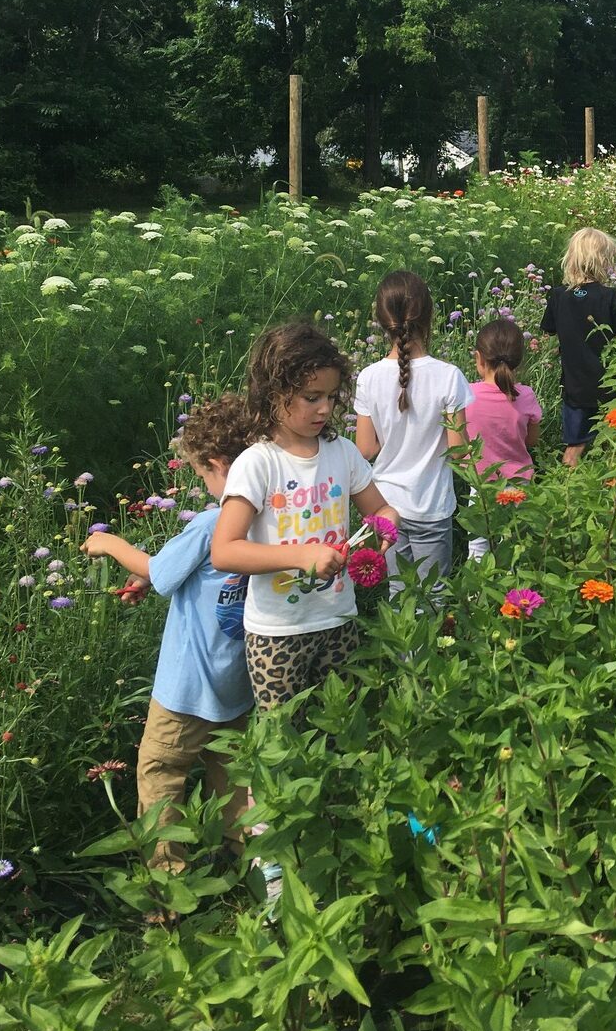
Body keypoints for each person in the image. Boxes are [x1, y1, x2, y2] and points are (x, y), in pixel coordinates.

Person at [82, 394, 255, 877]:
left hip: (184, 691)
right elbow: (187, 577)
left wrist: (114, 546)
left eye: (203, 475)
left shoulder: (209, 523)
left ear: (219, 466)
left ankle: (167, 882)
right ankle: (251, 867)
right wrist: (153, 577)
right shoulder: (270, 521)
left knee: (160, 775)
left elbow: (160, 572)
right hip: (239, 685)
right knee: (236, 782)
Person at [211, 321, 399, 711]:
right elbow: (225, 551)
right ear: (275, 394)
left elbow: (380, 508)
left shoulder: (342, 452)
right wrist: (301, 556)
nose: (325, 408)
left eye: (331, 396)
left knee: (342, 728)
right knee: (285, 741)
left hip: (338, 619)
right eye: (312, 397)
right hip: (276, 633)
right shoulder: (258, 463)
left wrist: (385, 524)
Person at [353, 270, 473, 597]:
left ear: (380, 319)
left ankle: (402, 652)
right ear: (429, 314)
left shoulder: (368, 376)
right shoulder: (449, 376)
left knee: (399, 597)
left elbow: (364, 448)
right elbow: (459, 453)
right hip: (431, 504)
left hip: (385, 503)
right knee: (432, 599)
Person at [540, 227, 616, 467]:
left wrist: (563, 346)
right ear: (603, 260)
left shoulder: (558, 296)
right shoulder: (610, 296)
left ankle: (568, 490)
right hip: (609, 384)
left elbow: (550, 332)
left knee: (574, 446)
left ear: (572, 259)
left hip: (574, 386)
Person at [464, 317, 542, 560]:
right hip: (519, 482)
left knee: (478, 547)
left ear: (478, 358)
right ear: (519, 359)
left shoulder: (466, 394)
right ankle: (515, 594)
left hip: (481, 483)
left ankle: (478, 594)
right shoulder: (526, 395)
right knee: (515, 544)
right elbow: (532, 441)